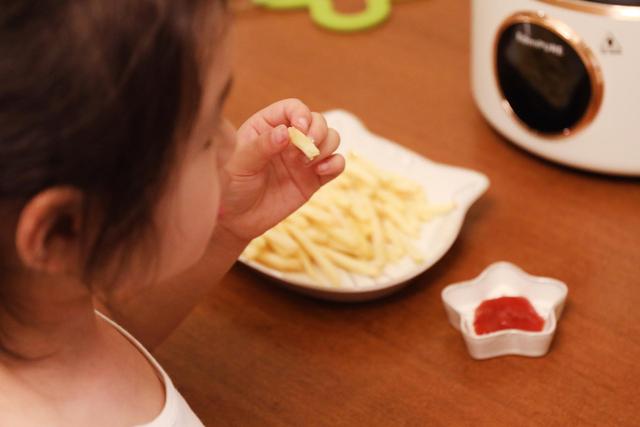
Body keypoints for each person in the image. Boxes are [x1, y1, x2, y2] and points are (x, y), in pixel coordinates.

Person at [0, 1, 344, 425]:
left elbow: (115, 334)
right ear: (62, 232)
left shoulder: (45, 319)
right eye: (202, 139)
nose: (229, 144)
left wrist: (225, 224)